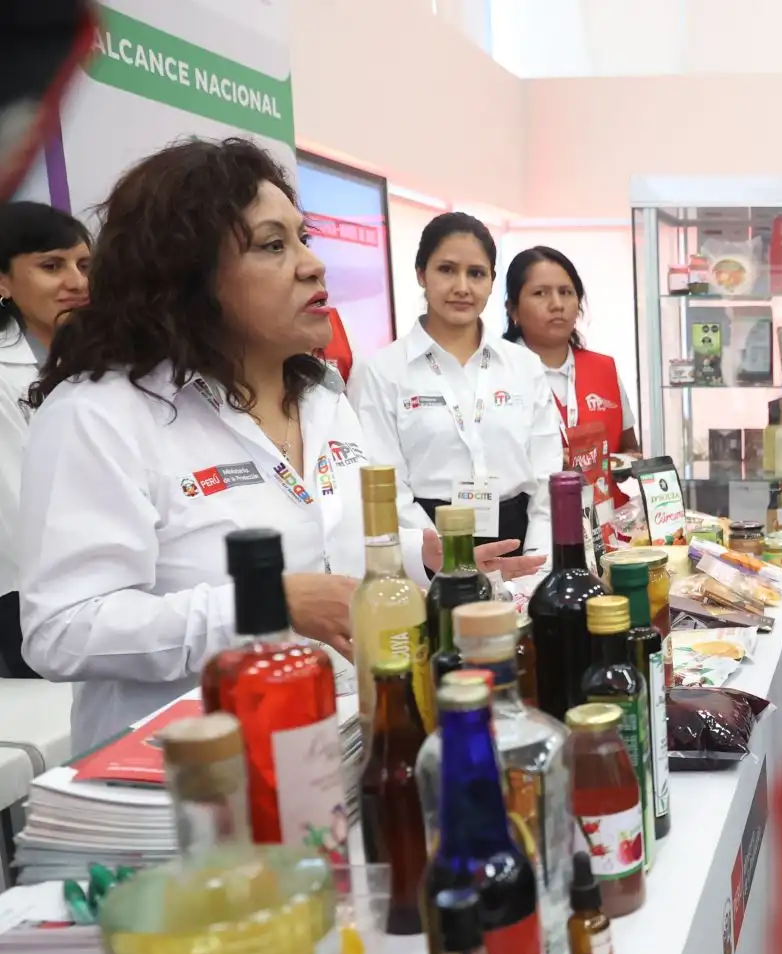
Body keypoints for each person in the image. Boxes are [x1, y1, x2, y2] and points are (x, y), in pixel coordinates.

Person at [15, 139, 541, 755]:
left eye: (303, 238)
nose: (312, 265)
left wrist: (426, 558)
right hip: (190, 790)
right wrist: (267, 604)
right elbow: (62, 630)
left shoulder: (323, 397)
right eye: (272, 245)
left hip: (341, 750)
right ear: (188, 276)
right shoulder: (100, 414)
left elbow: (346, 539)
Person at [351, 213, 560, 559]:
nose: (462, 287)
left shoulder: (523, 365)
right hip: (427, 551)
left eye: (476, 273)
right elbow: (385, 487)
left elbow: (546, 473)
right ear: (421, 274)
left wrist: (537, 560)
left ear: (492, 281)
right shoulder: (380, 371)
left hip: (520, 543)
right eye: (446, 269)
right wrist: (447, 559)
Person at [0, 201, 89, 678]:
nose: (76, 282)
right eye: (51, 266)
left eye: (84, 265)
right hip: (28, 599)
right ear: (3, 282)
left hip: (112, 585)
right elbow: (20, 509)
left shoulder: (103, 362)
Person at [503, 244, 638, 511]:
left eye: (566, 292)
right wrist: (548, 462)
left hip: (609, 530)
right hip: (532, 528)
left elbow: (629, 449)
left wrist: (625, 463)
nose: (557, 304)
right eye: (540, 293)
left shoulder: (604, 368)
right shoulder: (496, 374)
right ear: (513, 309)